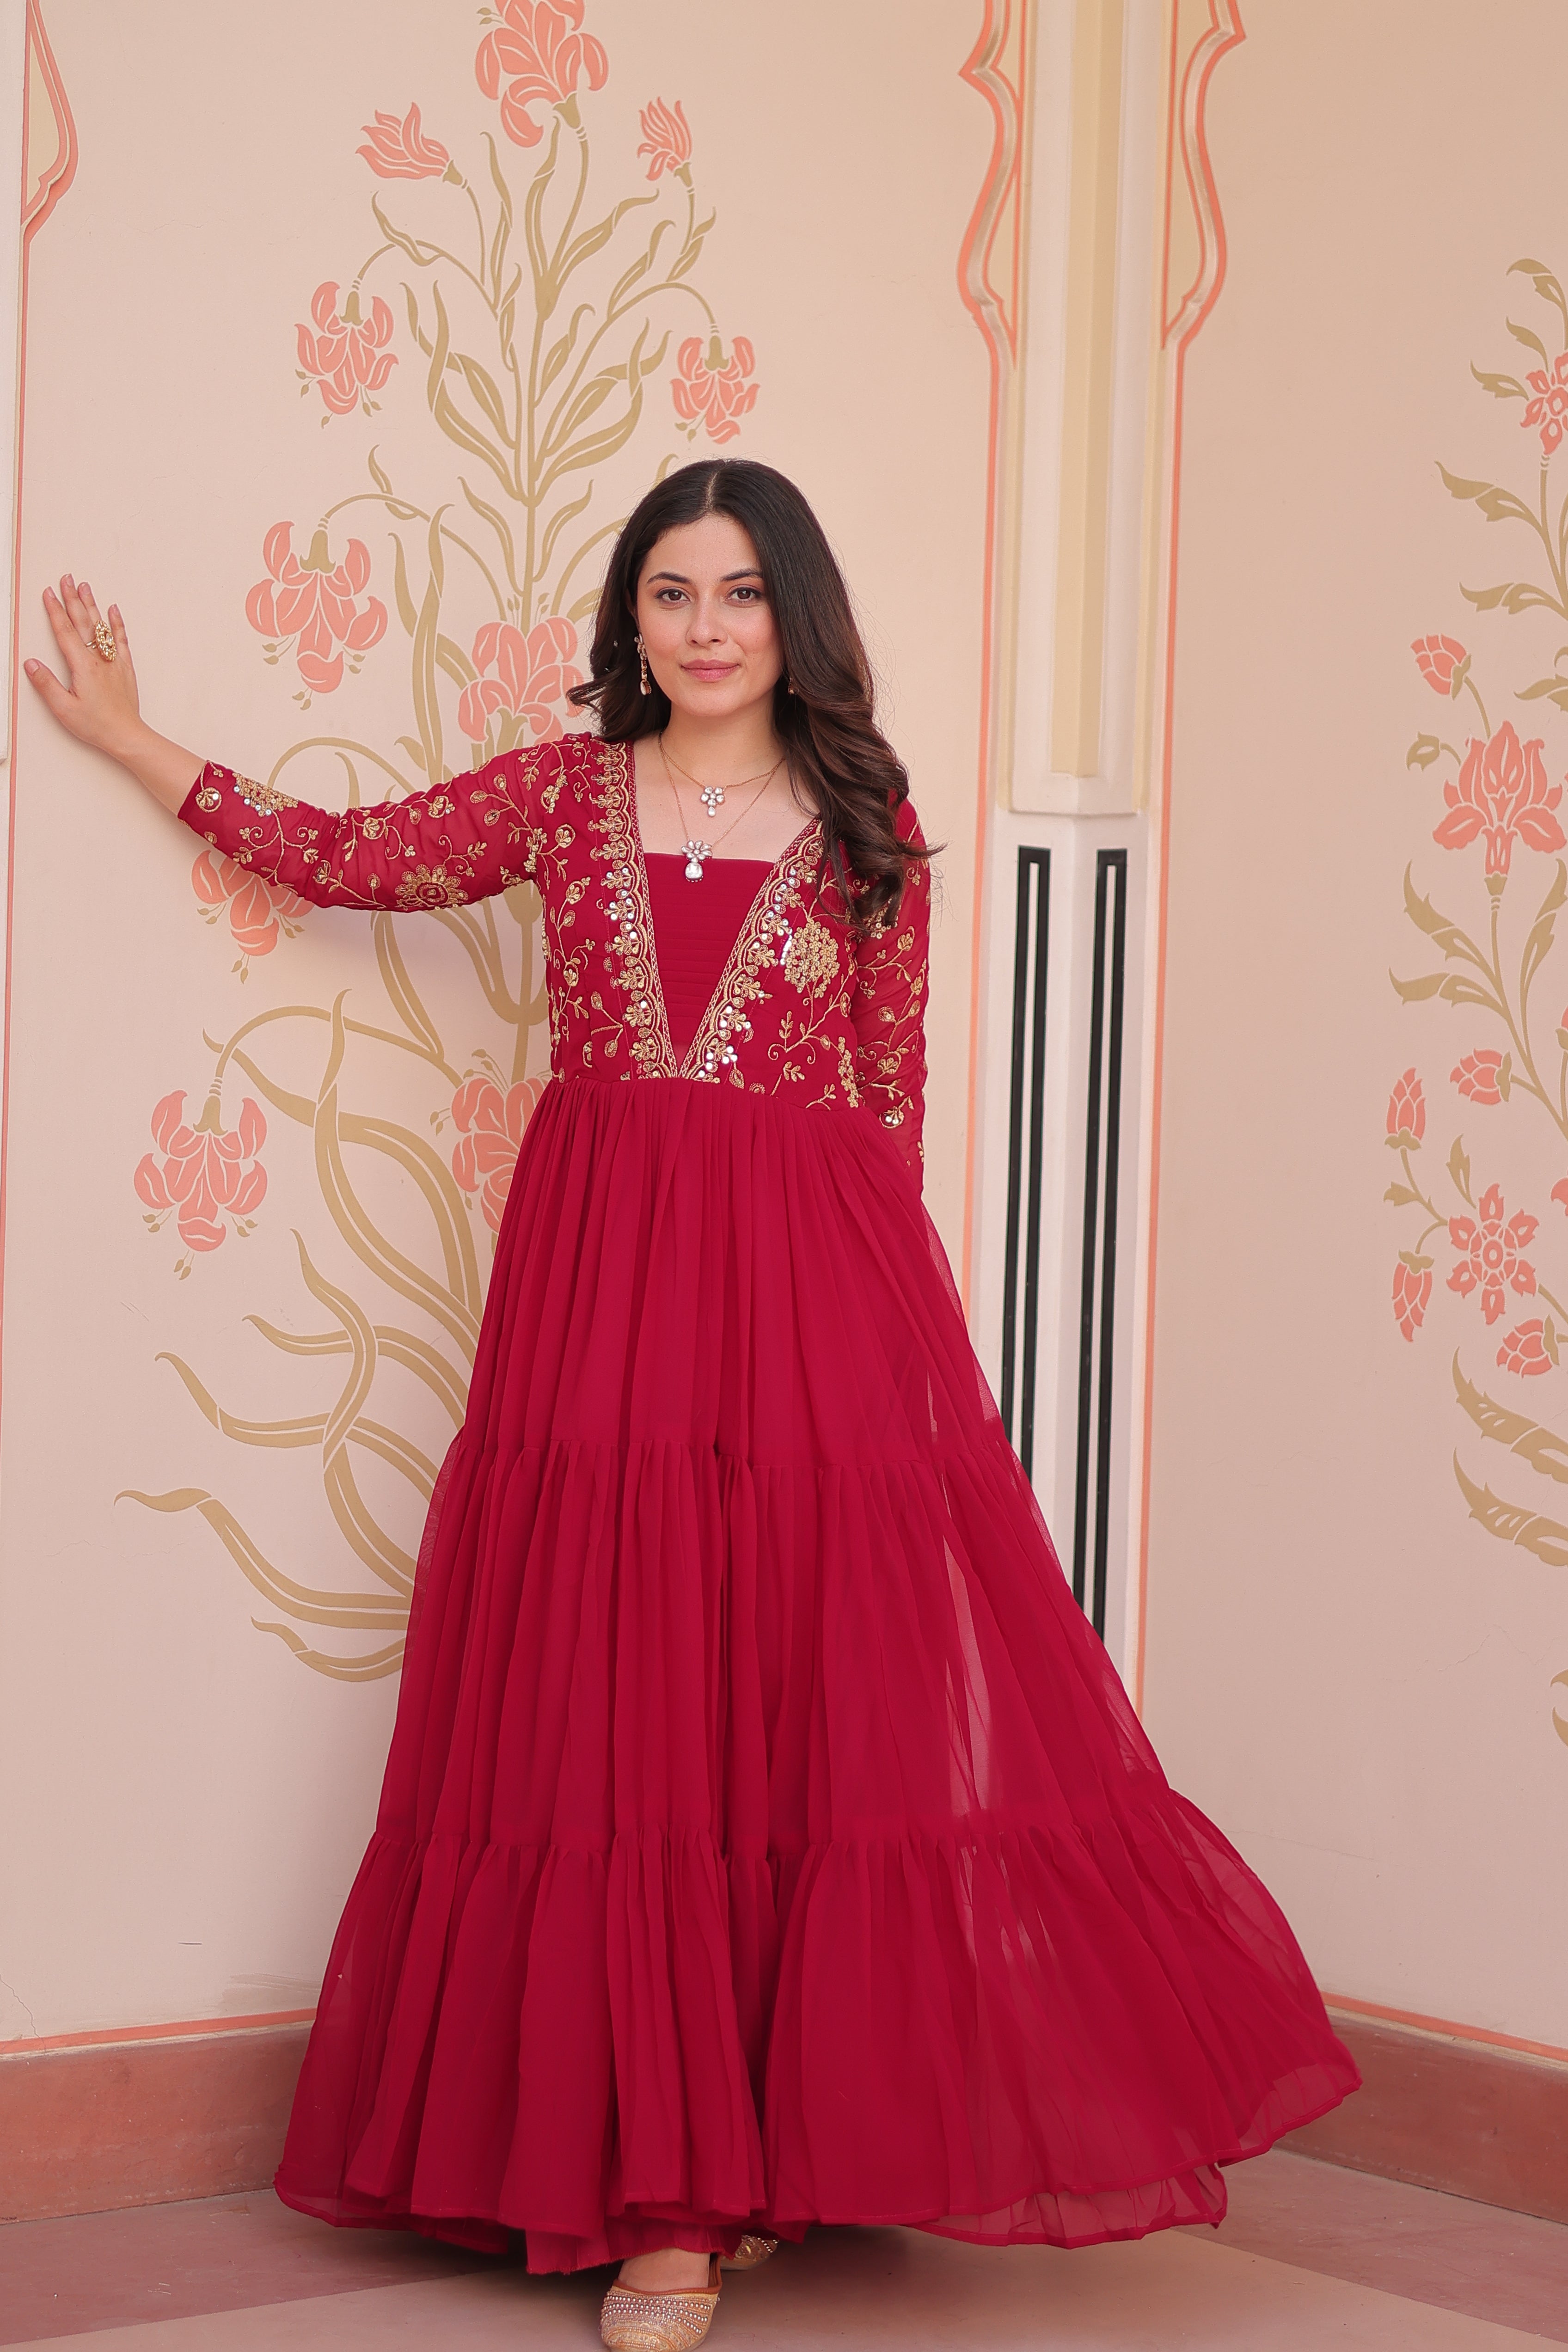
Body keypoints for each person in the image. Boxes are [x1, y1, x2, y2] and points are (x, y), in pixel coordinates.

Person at [27, 458, 1357, 2352]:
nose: (706, 625)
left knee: (795, 1699)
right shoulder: (562, 796)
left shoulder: (860, 814)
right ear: (628, 619)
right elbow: (351, 859)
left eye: (739, 593)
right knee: (617, 1699)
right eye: (670, 592)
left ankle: (779, 2151)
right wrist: (140, 744)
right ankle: (662, 2197)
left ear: (792, 617)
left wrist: (896, 1386)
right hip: (599, 1291)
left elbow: (885, 1110)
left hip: (809, 1303)